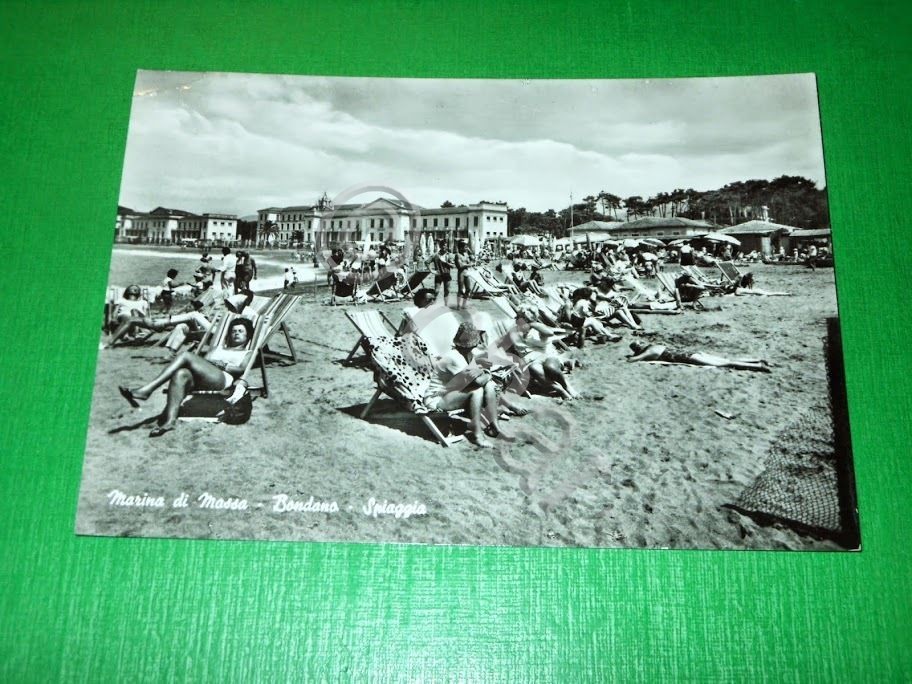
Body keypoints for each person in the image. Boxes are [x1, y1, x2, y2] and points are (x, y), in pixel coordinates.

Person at [118, 316, 257, 437]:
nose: (236, 333)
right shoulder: (217, 348)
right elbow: (205, 361)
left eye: (240, 331)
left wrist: (221, 364)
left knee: (185, 355)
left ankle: (147, 390)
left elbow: (241, 369)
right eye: (233, 331)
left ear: (248, 335)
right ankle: (169, 421)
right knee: (181, 374)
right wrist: (212, 363)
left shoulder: (247, 352)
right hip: (203, 377)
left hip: (222, 378)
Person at [426, 322, 502, 448]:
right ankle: (477, 434)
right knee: (476, 390)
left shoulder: (468, 355)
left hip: (453, 392)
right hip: (437, 397)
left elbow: (478, 376)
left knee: (490, 385)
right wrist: (487, 373)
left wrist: (484, 373)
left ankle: (495, 425)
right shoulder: (454, 358)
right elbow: (477, 381)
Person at [626, 341, 771, 372]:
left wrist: (632, 357)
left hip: (690, 358)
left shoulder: (650, 351)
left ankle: (757, 366)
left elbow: (634, 360)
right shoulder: (655, 345)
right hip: (694, 352)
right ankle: (756, 360)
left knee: (724, 364)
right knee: (726, 360)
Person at [431, 240, 454, 307]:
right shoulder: (436, 255)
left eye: (446, 245)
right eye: (443, 245)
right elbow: (427, 262)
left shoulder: (449, 255)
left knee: (447, 290)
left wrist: (446, 263)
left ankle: (446, 305)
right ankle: (433, 304)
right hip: (438, 275)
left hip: (447, 274)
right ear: (440, 246)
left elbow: (453, 266)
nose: (444, 247)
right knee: (436, 291)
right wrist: (431, 270)